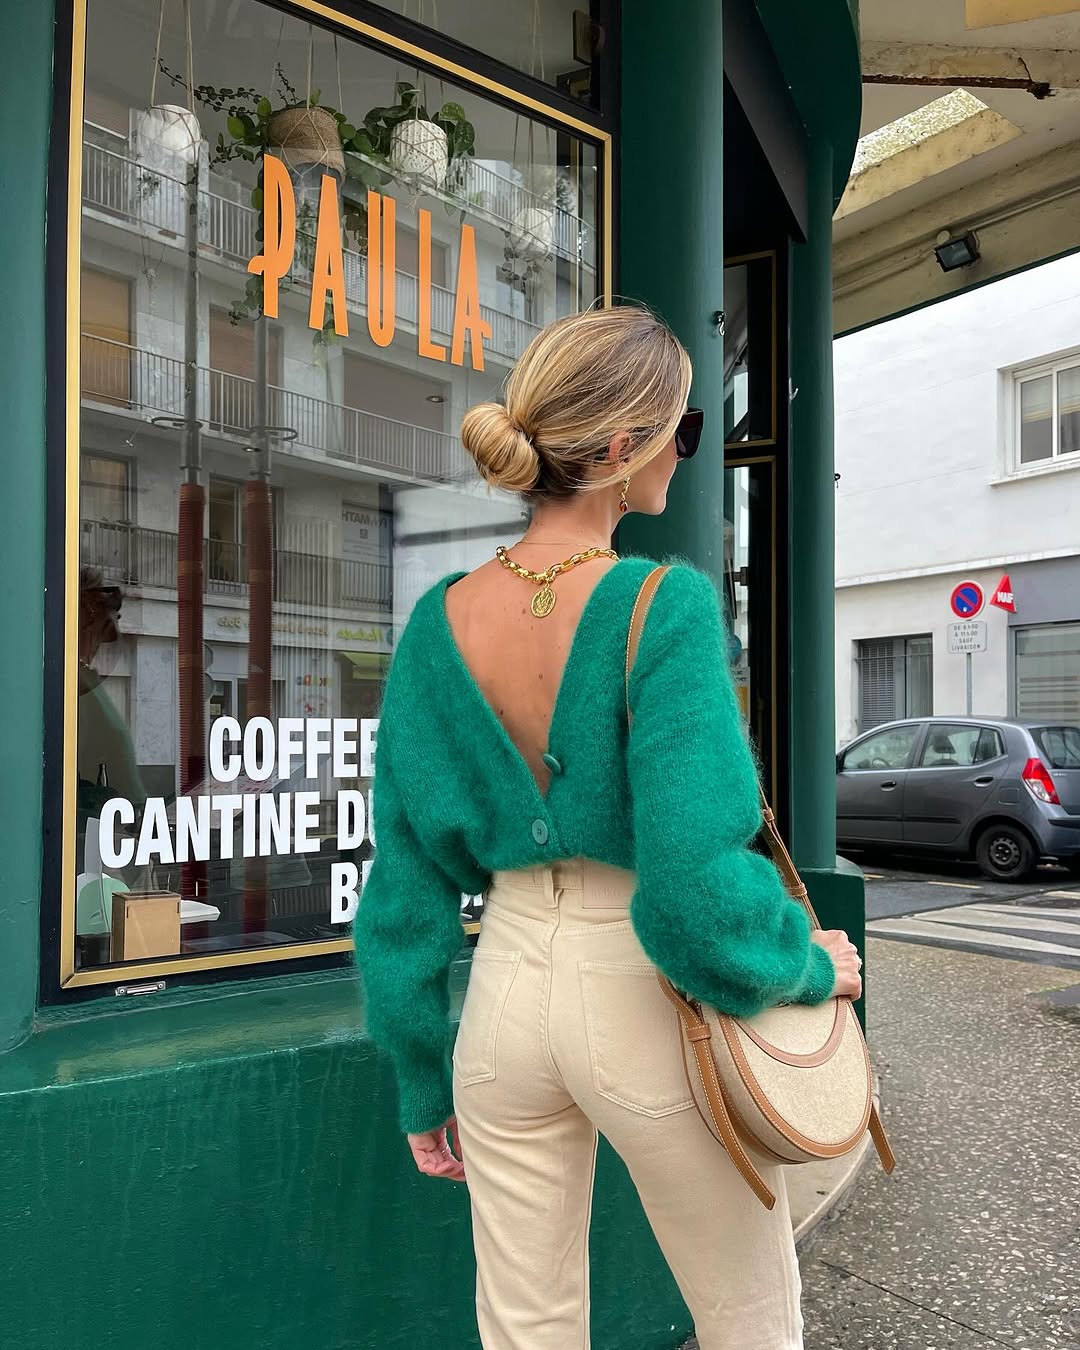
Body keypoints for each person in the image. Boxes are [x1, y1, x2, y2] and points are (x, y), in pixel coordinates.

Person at [352, 303, 863, 1350]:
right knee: (749, 1319)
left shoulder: (438, 621)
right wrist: (809, 969)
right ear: (625, 446)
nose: (687, 451)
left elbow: (400, 890)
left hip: (502, 1000)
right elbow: (691, 894)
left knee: (527, 1327)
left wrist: (419, 1072)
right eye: (684, 429)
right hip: (642, 996)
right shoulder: (662, 605)